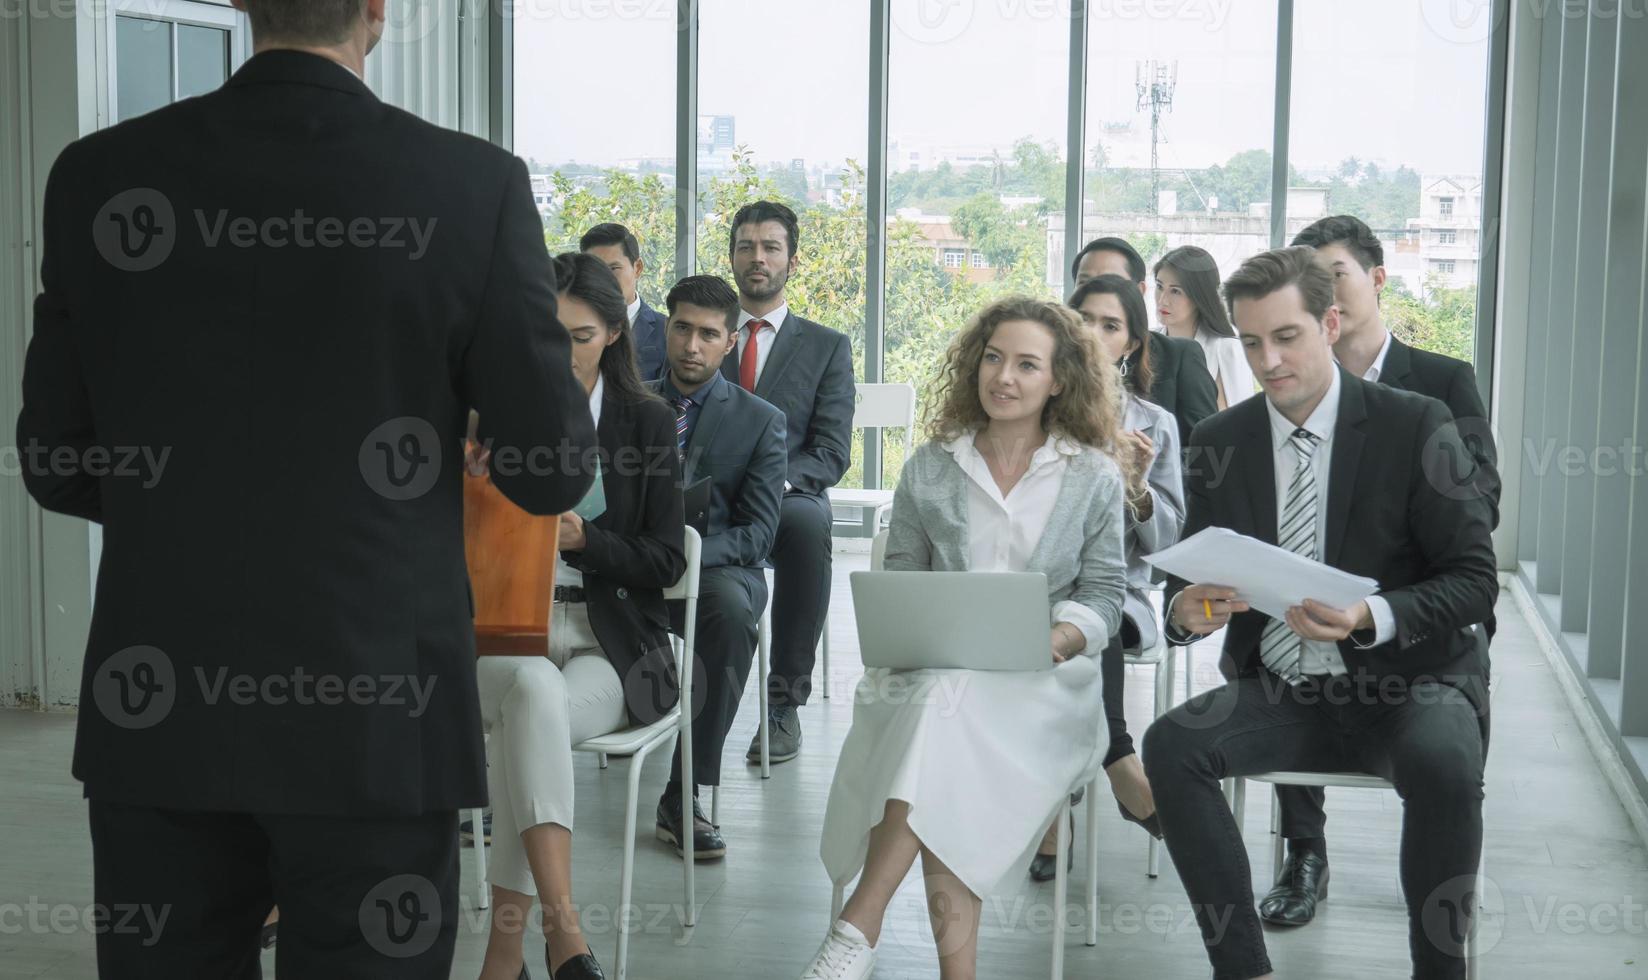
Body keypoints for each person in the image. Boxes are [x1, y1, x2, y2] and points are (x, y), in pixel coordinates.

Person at [14, 1, 597, 976]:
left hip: (162, 709)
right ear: (377, 11)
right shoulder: (469, 186)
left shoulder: (98, 174)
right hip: (378, 714)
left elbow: (55, 456)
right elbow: (552, 471)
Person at [1142, 247, 1497, 980]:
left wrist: (1369, 615)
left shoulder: (1416, 422)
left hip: (1409, 682)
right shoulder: (1220, 443)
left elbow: (1475, 581)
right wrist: (1186, 611)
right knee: (1172, 746)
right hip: (1284, 690)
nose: (1268, 360)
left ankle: (1441, 972)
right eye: (1249, 342)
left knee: (1444, 761)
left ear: (1331, 323)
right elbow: (1190, 585)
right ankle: (1242, 969)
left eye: (1287, 336)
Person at [803, 296, 1127, 980]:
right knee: (948, 708)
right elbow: (903, 580)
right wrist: (924, 635)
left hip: (1045, 684)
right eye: (993, 357)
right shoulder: (931, 464)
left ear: (1059, 380)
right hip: (933, 676)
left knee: (943, 725)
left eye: (1026, 364)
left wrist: (1058, 640)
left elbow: (1104, 595)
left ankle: (858, 926)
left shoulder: (1092, 474)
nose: (1003, 376)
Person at [1253, 214, 1504, 928]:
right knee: (1284, 641)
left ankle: (1439, 850)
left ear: (1376, 280)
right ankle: (1304, 854)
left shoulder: (1441, 382)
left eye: (1333, 275)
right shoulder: (1288, 383)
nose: (1319, 291)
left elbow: (1481, 499)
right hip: (1309, 596)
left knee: (1444, 721)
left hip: (1416, 596)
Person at [474, 253, 686, 980]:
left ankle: (505, 955)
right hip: (505, 632)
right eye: (546, 332)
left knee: (519, 734)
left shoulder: (647, 422)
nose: (560, 351)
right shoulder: (485, 420)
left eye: (580, 334)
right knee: (529, 697)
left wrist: (585, 541)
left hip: (611, 640)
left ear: (616, 335)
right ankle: (562, 932)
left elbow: (667, 561)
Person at [1018, 274, 1186, 881]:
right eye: (1081, 318)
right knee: (1059, 621)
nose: (1091, 333)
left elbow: (1167, 544)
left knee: (1094, 616)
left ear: (1133, 344)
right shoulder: (1035, 408)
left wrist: (1134, 485)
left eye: (1109, 325)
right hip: (1035, 586)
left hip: (1124, 594)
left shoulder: (1154, 424)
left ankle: (1055, 807)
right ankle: (1120, 764)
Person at [653, 274, 788, 860]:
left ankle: (684, 793)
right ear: (667, 327)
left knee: (732, 613)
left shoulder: (760, 420)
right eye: (681, 328)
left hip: (717, 567)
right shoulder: (627, 402)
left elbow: (759, 531)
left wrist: (690, 553)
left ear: (729, 343)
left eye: (708, 334)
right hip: (627, 564)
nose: (691, 345)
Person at [716, 201, 855, 765]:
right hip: (709, 498)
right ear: (731, 256)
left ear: (792, 261)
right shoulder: (702, 333)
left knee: (807, 522)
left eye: (771, 247)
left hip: (785, 500)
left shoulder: (826, 347)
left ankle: (782, 705)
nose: (758, 257)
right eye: (746, 246)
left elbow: (830, 450)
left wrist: (776, 485)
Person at [1071, 236, 1218, 449]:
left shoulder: (1178, 356)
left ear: (1139, 291)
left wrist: (1153, 467)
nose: (1097, 292)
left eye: (1111, 281)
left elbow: (1207, 449)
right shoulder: (1051, 360)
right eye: (1084, 282)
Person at [1154, 244, 1257, 409]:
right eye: (1159, 287)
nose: (1162, 300)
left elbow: (1243, 420)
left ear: (1199, 295)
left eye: (1175, 291)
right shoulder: (1146, 341)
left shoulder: (1227, 349)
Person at [581, 222, 667, 381]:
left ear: (638, 268)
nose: (604, 279)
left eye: (613, 269)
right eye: (595, 270)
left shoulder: (667, 331)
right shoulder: (570, 329)